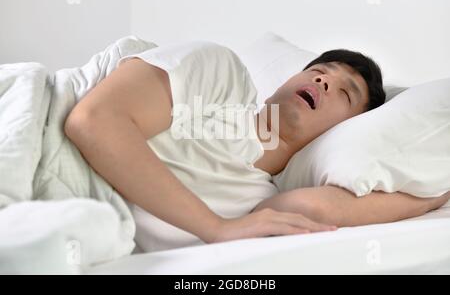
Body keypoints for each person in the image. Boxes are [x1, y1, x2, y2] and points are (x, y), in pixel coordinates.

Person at [64, 41, 450, 251]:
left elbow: (328, 209)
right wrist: (215, 228)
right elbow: (93, 122)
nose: (324, 83)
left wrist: (432, 200)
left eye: (345, 93)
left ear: (344, 129)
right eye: (318, 72)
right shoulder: (221, 77)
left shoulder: (259, 200)